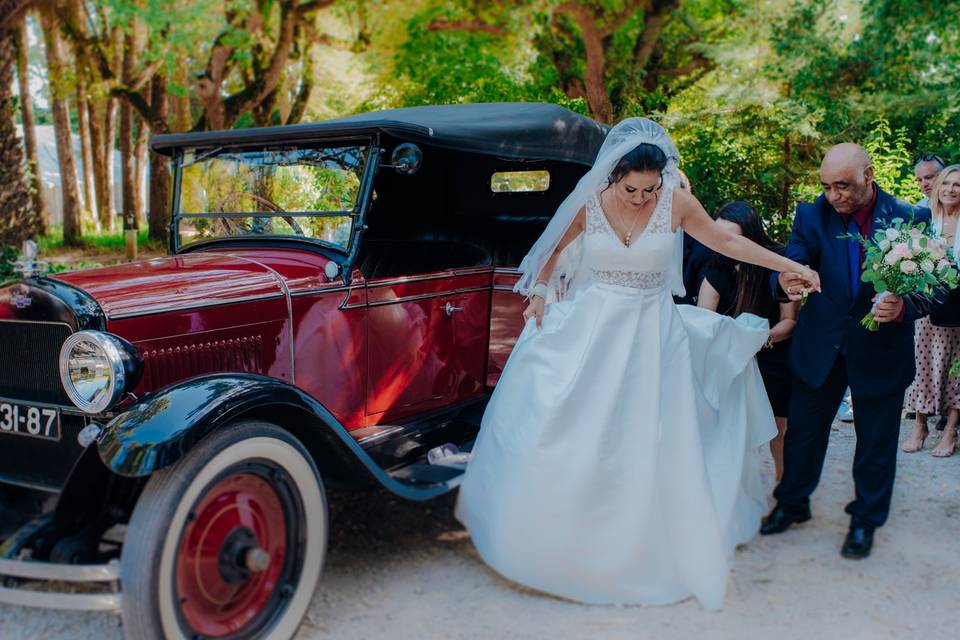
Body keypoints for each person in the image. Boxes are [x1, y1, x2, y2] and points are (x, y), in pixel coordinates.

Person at [456, 118, 820, 611]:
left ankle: (645, 539)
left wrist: (790, 266)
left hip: (653, 334)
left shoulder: (676, 202)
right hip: (595, 325)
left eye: (650, 188)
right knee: (568, 419)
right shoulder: (589, 202)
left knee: (649, 434)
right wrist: (541, 291)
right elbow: (554, 249)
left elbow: (727, 242)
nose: (641, 198)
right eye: (632, 188)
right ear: (613, 176)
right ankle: (553, 534)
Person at [761, 144, 935, 560]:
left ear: (869, 175)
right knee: (803, 434)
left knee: (875, 442)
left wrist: (903, 308)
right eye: (826, 186)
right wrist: (785, 282)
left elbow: (932, 287)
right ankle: (792, 503)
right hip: (820, 344)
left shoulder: (911, 217)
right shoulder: (810, 214)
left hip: (881, 347)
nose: (833, 195)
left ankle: (865, 521)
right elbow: (792, 262)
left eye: (843, 185)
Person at [697, 202, 799, 480]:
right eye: (718, 236)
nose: (724, 243)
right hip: (731, 356)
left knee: (778, 427)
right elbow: (704, 318)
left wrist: (762, 338)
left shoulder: (777, 260)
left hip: (772, 351)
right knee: (731, 425)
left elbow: (789, 320)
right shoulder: (716, 265)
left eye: (732, 237)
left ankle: (783, 485)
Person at [903, 164, 960, 457]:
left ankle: (950, 431)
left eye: (957, 185)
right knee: (921, 365)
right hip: (924, 305)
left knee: (955, 370)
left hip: (958, 308)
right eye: (946, 183)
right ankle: (920, 425)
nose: (950, 189)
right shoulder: (926, 219)